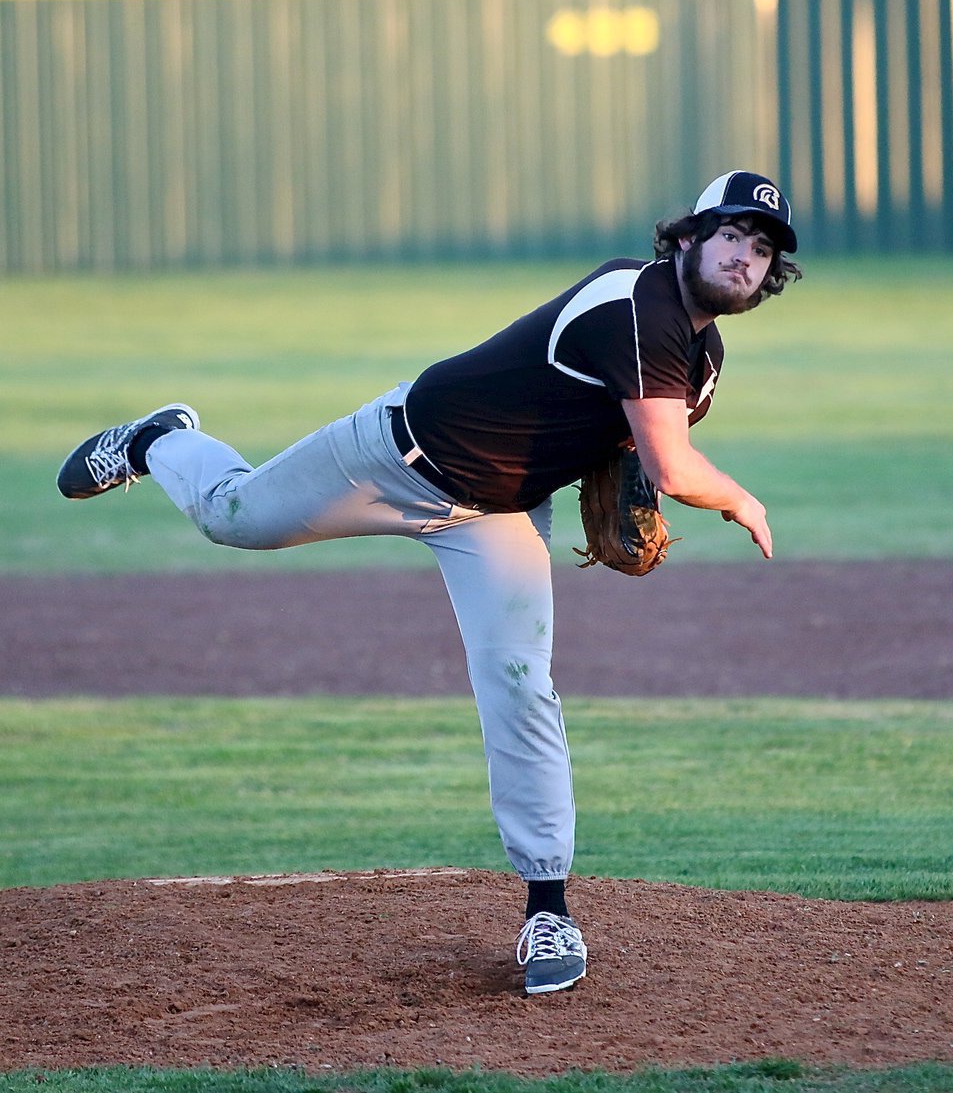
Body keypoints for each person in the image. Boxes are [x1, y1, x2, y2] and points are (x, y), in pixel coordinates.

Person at [56, 169, 803, 996]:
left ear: (771, 276)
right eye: (731, 234)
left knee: (521, 684)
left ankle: (547, 907)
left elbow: (628, 448)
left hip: (500, 515)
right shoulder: (637, 298)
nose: (745, 255)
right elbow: (669, 461)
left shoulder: (704, 360)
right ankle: (162, 440)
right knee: (232, 517)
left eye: (763, 248)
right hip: (391, 455)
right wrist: (736, 495)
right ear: (690, 236)